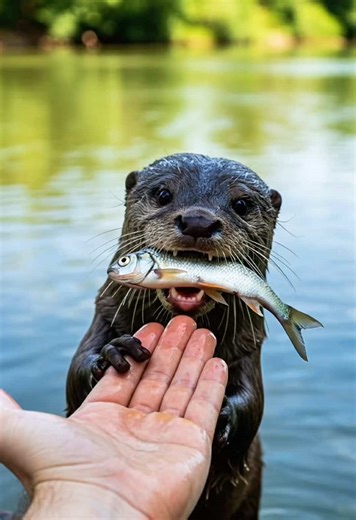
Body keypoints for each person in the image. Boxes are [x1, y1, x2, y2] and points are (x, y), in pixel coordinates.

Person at [0, 316, 228, 519]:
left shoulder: (243, 307)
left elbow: (247, 398)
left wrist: (226, 414)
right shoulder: (115, 302)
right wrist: (101, 365)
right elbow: (81, 376)